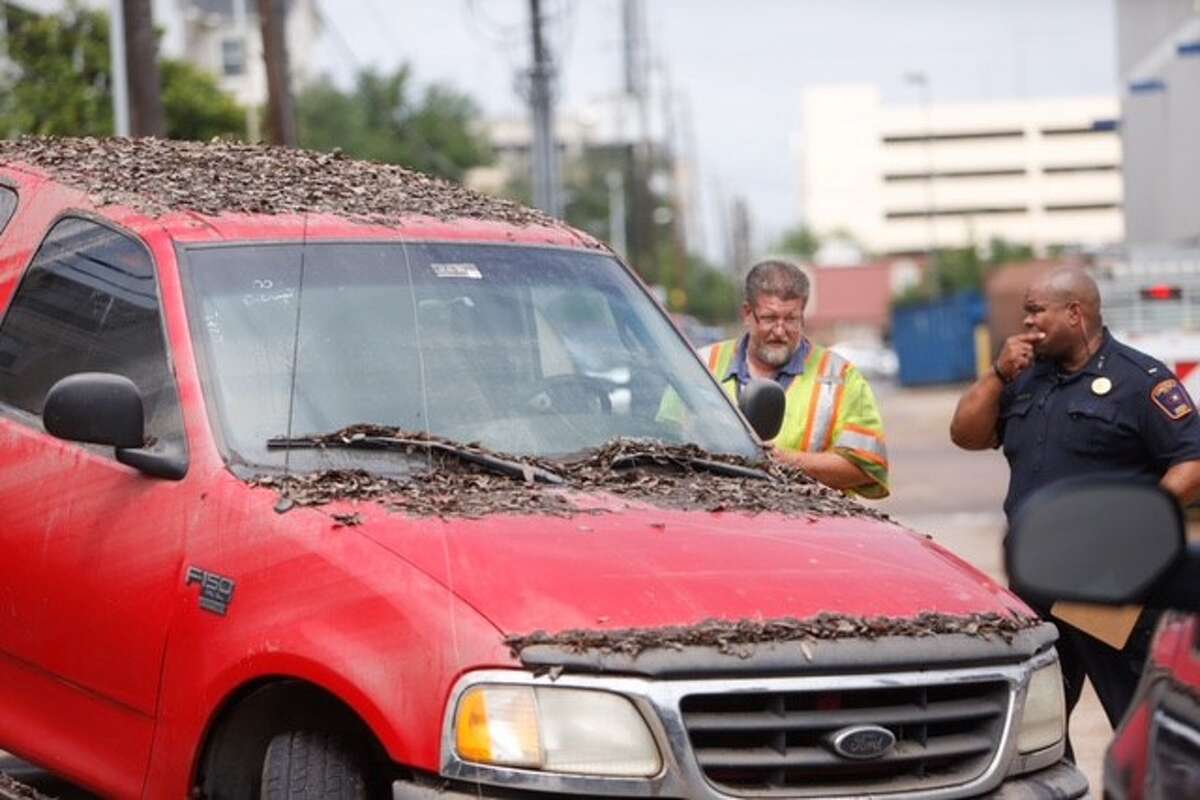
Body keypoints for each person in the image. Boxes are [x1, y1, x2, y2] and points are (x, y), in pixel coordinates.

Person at [949, 265, 1200, 753]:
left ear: (1075, 313)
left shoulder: (1138, 380)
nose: (1028, 324)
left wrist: (1136, 523)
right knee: (1035, 730)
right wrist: (998, 374)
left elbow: (1191, 462)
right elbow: (966, 435)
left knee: (1139, 720)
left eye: (1036, 312)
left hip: (1110, 583)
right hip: (1038, 584)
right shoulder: (1024, 378)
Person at [699, 259, 889, 498]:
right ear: (747, 313)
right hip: (717, 522)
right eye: (769, 318)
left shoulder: (841, 377)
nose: (780, 331)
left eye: (791, 319)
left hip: (811, 527)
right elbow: (666, 442)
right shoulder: (701, 365)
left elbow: (866, 468)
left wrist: (786, 461)